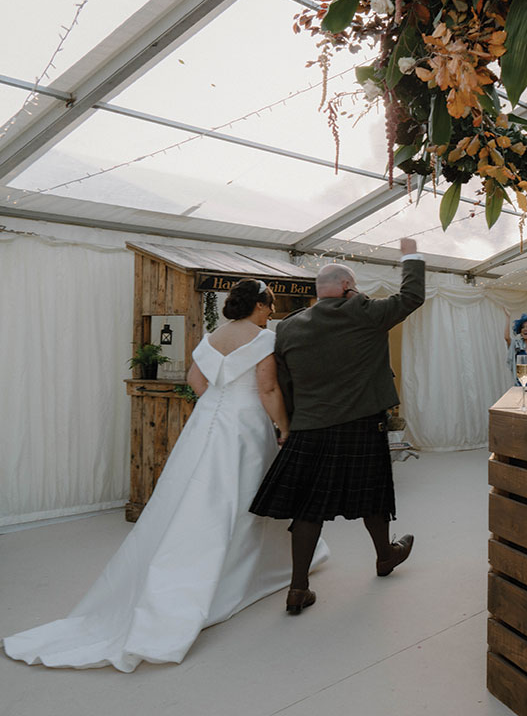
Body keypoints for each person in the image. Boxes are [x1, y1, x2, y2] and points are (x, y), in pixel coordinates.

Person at [3, 280, 330, 671]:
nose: (270, 313)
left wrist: (216, 402)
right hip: (243, 427)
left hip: (209, 419)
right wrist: (284, 427)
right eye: (269, 306)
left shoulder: (212, 337)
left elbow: (195, 380)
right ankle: (241, 573)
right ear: (258, 305)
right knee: (241, 499)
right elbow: (268, 387)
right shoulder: (262, 339)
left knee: (192, 497)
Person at [250, 241, 425, 615]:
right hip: (361, 425)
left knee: (309, 507)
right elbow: (412, 295)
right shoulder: (365, 312)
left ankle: (298, 589)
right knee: (371, 495)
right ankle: (384, 557)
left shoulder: (290, 327)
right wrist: (410, 254)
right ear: (348, 287)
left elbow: (285, 384)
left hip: (310, 428)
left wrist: (290, 426)